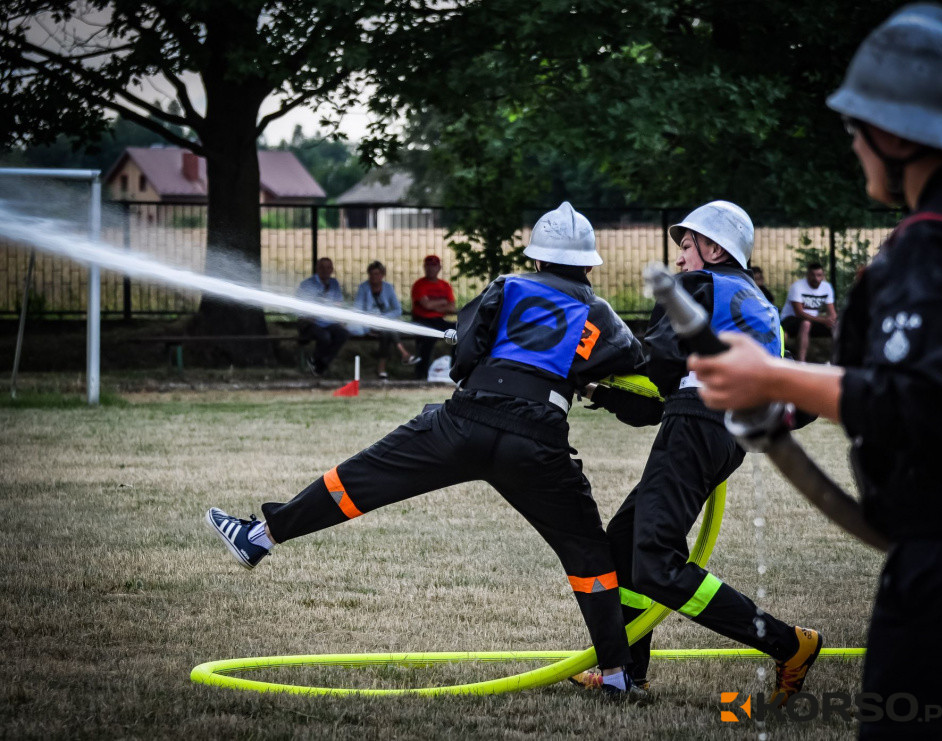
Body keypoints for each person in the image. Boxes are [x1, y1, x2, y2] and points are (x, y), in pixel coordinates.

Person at [206, 202, 650, 699]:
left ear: (538, 260)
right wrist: (589, 386)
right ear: (589, 266)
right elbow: (638, 387)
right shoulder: (599, 314)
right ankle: (615, 674)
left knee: (363, 477)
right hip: (537, 441)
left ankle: (262, 535)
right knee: (588, 553)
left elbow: (463, 359)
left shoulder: (508, 287)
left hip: (463, 422)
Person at [689, 5, 942, 738]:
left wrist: (777, 379)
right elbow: (878, 378)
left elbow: (929, 403)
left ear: (896, 134)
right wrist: (784, 410)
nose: (853, 145)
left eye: (857, 128)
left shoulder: (935, 246)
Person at [575, 201, 822, 704]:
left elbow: (658, 363)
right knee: (625, 542)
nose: (681, 259)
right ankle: (627, 674)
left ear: (712, 248)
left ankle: (787, 643)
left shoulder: (698, 287)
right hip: (718, 429)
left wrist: (579, 358)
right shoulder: (759, 305)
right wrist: (601, 392)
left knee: (656, 563)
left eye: (686, 246)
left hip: (695, 424)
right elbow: (665, 393)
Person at [351, 260, 419, 379]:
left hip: (384, 325)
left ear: (382, 275)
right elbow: (358, 309)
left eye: (377, 274)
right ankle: (403, 354)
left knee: (386, 333)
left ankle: (382, 368)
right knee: (388, 330)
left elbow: (397, 309)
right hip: (369, 325)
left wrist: (383, 318)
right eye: (371, 274)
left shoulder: (388, 288)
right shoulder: (363, 288)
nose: (374, 277)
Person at [295, 257, 349, 376]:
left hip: (328, 322)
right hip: (310, 322)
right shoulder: (307, 285)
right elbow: (301, 309)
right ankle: (318, 365)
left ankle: (320, 363)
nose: (326, 270)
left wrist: (341, 321)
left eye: (328, 267)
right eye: (322, 267)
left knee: (343, 334)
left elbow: (338, 304)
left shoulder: (334, 284)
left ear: (332, 269)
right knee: (325, 336)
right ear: (317, 269)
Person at [410, 255, 457, 379]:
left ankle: (455, 370)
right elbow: (426, 305)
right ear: (424, 267)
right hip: (423, 321)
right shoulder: (419, 285)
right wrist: (443, 302)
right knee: (427, 340)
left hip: (439, 320)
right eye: (429, 266)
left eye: (434, 266)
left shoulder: (445, 285)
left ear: (439, 268)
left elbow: (452, 308)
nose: (431, 269)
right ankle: (421, 375)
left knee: (459, 333)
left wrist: (434, 306)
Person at [779, 262, 837, 361]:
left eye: (819, 275)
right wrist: (824, 320)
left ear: (823, 276)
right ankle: (802, 361)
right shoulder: (797, 286)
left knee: (838, 325)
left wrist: (832, 321)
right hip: (791, 320)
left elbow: (832, 313)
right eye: (813, 275)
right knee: (806, 323)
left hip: (814, 321)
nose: (816, 278)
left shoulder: (826, 287)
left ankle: (837, 360)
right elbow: (799, 313)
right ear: (808, 275)